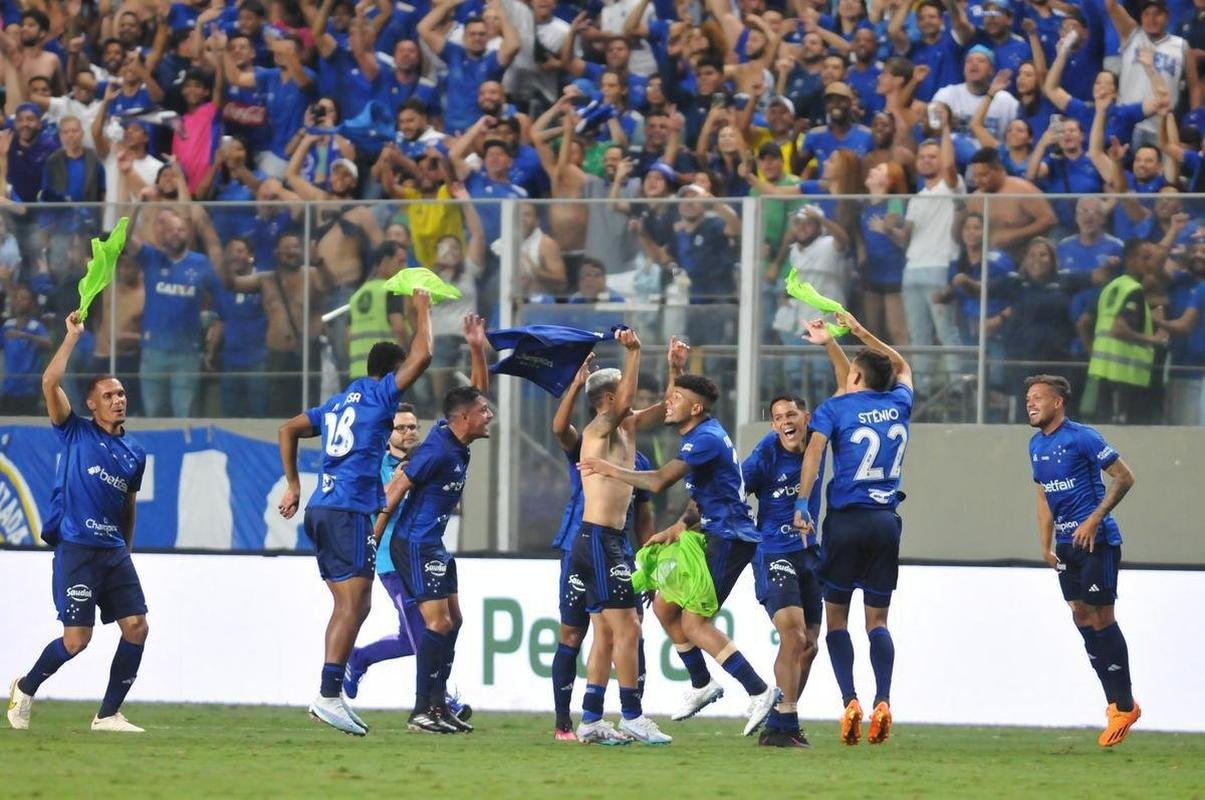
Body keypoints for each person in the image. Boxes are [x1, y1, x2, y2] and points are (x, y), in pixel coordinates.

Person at [580, 372, 780, 737]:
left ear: (696, 407)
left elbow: (658, 481)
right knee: (663, 606)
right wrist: (680, 525)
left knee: (694, 624)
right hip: (712, 532)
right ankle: (702, 683)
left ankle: (760, 691)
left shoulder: (703, 439)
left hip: (730, 538)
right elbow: (704, 493)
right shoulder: (702, 435)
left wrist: (609, 470)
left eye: (676, 398)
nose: (667, 403)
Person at [276, 290, 433, 736]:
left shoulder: (340, 401)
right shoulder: (384, 395)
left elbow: (288, 429)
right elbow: (422, 357)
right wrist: (422, 308)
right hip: (347, 511)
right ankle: (328, 695)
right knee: (354, 604)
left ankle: (331, 693)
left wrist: (294, 483)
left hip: (322, 507)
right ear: (391, 374)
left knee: (350, 603)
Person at [7, 311, 149, 733]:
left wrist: (127, 546)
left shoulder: (135, 453)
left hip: (114, 553)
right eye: (108, 395)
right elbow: (49, 382)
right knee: (76, 641)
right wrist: (71, 337)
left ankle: (107, 715)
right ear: (91, 403)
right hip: (77, 550)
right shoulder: (75, 431)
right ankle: (25, 687)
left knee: (138, 627)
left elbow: (128, 504)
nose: (117, 400)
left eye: (121, 394)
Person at [795, 311, 912, 747]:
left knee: (836, 621)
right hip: (885, 523)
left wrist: (802, 502)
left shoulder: (834, 409)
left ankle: (850, 701)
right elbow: (899, 365)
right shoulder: (900, 401)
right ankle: (884, 699)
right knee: (878, 621)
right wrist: (852, 332)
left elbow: (814, 455)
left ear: (857, 374)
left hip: (844, 522)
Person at [554, 328, 671, 745]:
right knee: (629, 627)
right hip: (599, 540)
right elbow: (626, 404)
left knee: (606, 632)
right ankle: (633, 715)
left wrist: (674, 368)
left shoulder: (626, 429)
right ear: (607, 400)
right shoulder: (599, 429)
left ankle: (589, 719)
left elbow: (666, 409)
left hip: (608, 542)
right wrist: (635, 351)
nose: (631, 400)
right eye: (624, 392)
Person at [374, 319, 489, 734]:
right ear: (464, 419)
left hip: (434, 544)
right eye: (483, 414)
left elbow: (476, 396)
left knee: (453, 621)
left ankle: (439, 705)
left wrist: (477, 348)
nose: (489, 415)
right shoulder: (435, 452)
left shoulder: (454, 435)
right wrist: (373, 538)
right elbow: (395, 490)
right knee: (437, 624)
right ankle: (422, 709)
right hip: (415, 543)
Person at [1023, 374, 1141, 747]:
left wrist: (1095, 518)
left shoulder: (1083, 437)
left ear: (1058, 402)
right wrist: (1045, 544)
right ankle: (1114, 703)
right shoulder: (1034, 446)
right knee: (1079, 615)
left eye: (1038, 398)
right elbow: (1044, 496)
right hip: (1065, 545)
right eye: (1028, 398)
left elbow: (1125, 477)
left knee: (1102, 616)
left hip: (1097, 541)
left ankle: (1125, 705)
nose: (1030, 404)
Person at [742, 392, 824, 748]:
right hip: (773, 552)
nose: (785, 422)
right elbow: (733, 489)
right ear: (773, 425)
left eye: (791, 414)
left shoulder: (819, 441)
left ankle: (779, 722)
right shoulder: (765, 454)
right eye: (778, 418)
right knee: (794, 636)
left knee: (810, 647)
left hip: (809, 555)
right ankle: (786, 721)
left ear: (806, 417)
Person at [1, 284, 50, 414]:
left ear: (31, 303)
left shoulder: (36, 326)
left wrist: (25, 336)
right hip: (8, 388)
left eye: (23, 298)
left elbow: (48, 343)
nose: (18, 301)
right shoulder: (7, 325)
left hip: (28, 389)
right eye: (17, 298)